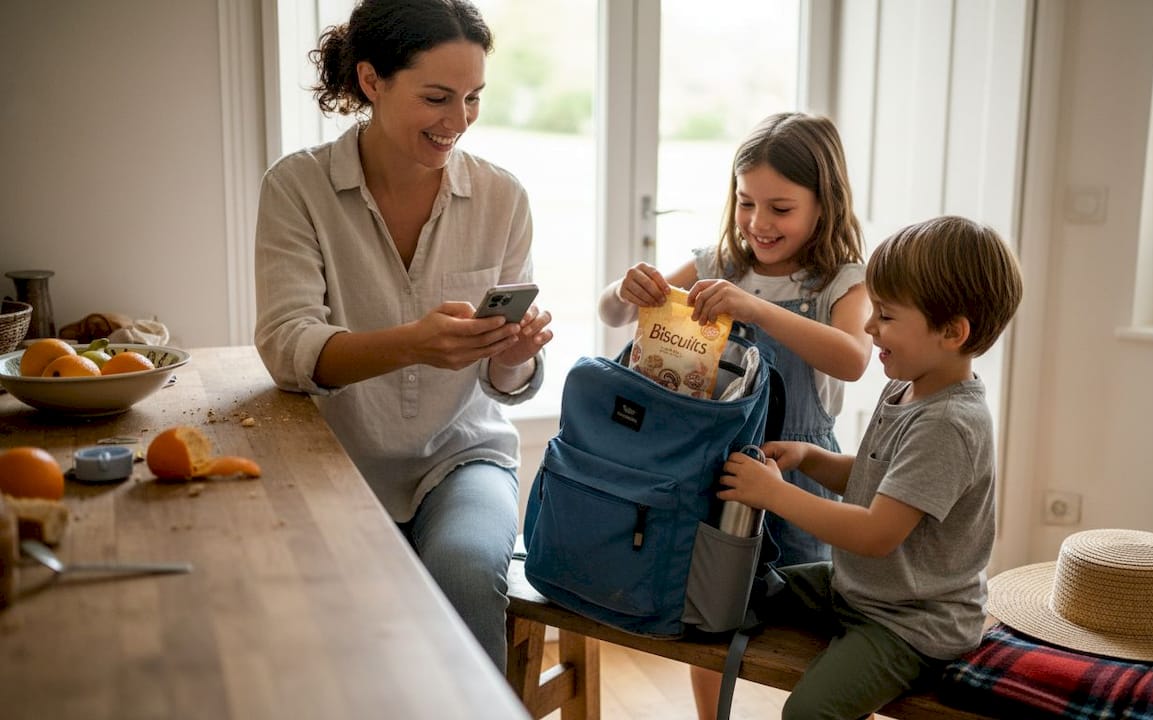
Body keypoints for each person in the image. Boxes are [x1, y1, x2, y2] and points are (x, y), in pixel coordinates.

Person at [252, 0, 553, 673]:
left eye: (473, 97)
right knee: (326, 619)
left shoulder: (504, 199)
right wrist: (411, 343)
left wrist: (510, 358)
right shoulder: (298, 188)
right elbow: (285, 345)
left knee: (468, 571)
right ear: (371, 81)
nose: (459, 121)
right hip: (333, 462)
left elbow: (504, 391)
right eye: (437, 97)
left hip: (462, 457)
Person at [597, 111, 873, 718]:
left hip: (798, 470)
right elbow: (612, 314)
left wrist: (757, 306)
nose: (758, 223)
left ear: (823, 205)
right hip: (711, 466)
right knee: (708, 608)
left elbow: (853, 360)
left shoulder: (842, 282)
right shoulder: (718, 261)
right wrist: (626, 291)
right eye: (747, 203)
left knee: (809, 614)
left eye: (781, 208)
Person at [716, 215, 1023, 719]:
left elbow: (876, 532)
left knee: (807, 714)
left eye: (886, 315)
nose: (868, 327)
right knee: (748, 589)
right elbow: (882, 476)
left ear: (952, 332)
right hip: (859, 590)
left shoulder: (949, 422)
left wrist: (774, 494)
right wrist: (812, 458)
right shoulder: (908, 384)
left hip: (910, 622)